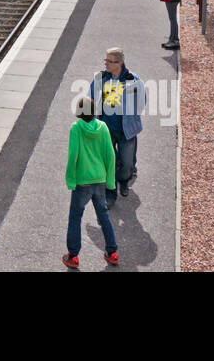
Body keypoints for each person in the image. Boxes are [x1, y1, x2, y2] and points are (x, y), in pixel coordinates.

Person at [62, 95, 119, 269]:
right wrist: (110, 182)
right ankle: (112, 252)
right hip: (100, 180)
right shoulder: (102, 127)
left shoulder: (76, 128)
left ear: (79, 112)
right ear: (94, 112)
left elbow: (73, 155)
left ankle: (73, 255)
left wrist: (70, 179)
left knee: (75, 218)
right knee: (103, 216)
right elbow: (110, 156)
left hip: (82, 182)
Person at [90, 47, 145, 204]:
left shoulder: (133, 80)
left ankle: (124, 180)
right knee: (109, 162)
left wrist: (131, 117)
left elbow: (142, 102)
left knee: (127, 164)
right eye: (105, 60)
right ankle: (110, 193)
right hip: (106, 128)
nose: (106, 63)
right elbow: (90, 98)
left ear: (119, 63)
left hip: (126, 130)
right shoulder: (101, 78)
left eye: (109, 61)